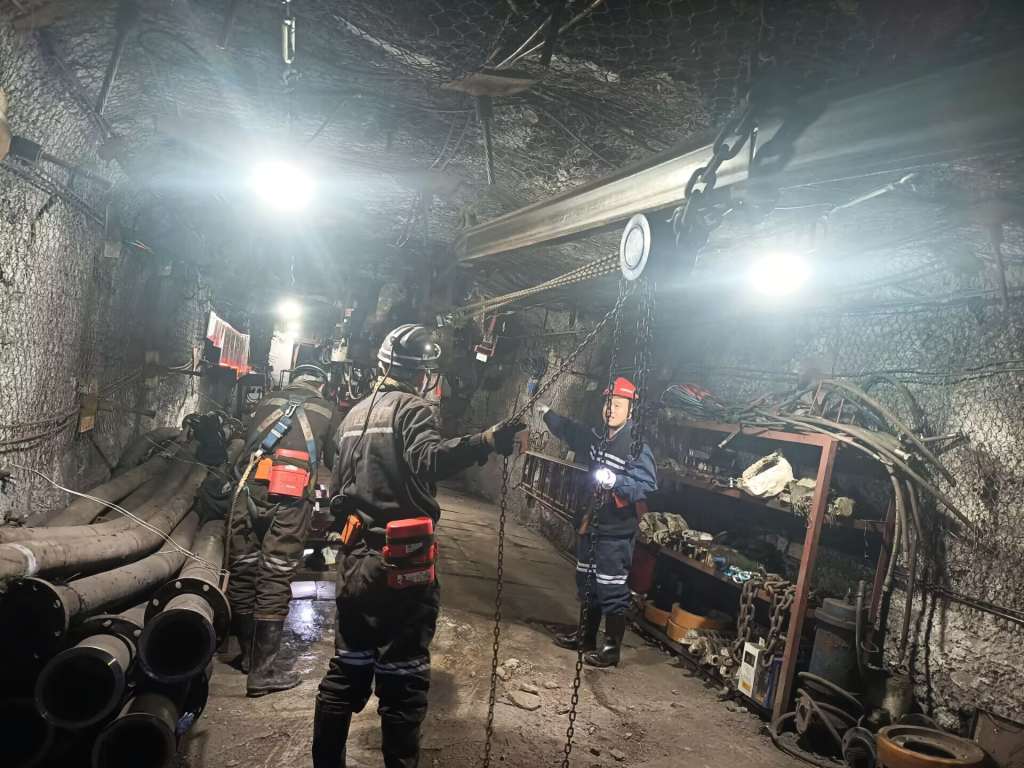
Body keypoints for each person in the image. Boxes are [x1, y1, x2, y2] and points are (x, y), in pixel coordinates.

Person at [312, 323, 524, 768]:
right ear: (425, 374)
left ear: (383, 366)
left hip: (354, 563)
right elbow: (429, 459)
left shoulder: (354, 416)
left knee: (347, 670)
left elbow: (337, 485)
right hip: (401, 567)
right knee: (402, 681)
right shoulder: (414, 409)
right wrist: (485, 441)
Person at [226, 364, 336, 696]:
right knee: (275, 573)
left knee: (244, 569)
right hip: (290, 495)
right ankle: (262, 674)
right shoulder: (326, 409)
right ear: (320, 385)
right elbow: (334, 460)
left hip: (249, 490)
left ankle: (248, 657)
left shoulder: (267, 401)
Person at [539, 376, 657, 668]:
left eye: (618, 405)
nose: (611, 410)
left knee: (611, 586)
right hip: (591, 523)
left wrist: (616, 481)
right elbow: (573, 432)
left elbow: (646, 485)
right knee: (587, 580)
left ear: (630, 410)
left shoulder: (636, 446)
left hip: (616, 530)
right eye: (608, 404)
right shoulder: (599, 437)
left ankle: (611, 649)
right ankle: (586, 637)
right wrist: (547, 414)